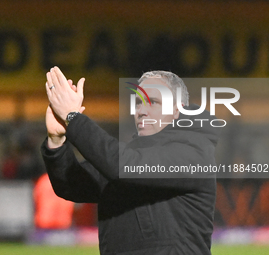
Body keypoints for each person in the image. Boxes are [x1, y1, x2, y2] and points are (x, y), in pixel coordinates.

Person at [41, 67, 220, 255]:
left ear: (177, 111)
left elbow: (124, 165)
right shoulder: (128, 157)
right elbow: (72, 186)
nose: (141, 111)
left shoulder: (194, 153)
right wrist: (56, 141)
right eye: (139, 103)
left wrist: (73, 118)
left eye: (153, 102)